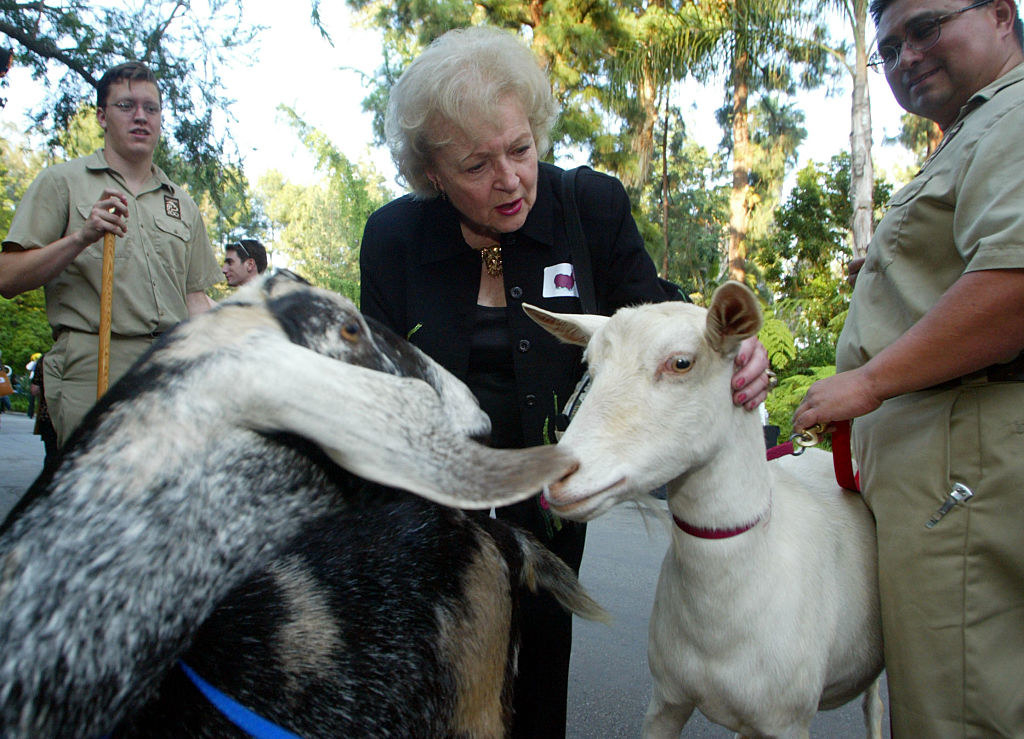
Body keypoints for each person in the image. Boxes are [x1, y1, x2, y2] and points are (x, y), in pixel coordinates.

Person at [359, 26, 772, 738]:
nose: (511, 178)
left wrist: (739, 346)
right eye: (476, 165)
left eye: (520, 149)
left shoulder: (590, 208)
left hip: (550, 503)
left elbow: (663, 316)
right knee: (433, 689)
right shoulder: (394, 239)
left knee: (539, 682)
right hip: (432, 513)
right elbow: (379, 382)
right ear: (431, 173)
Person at [793, 0, 1024, 734]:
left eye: (925, 29)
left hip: (963, 449)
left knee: (957, 707)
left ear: (998, 15)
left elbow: (1014, 285)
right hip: (943, 450)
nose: (905, 57)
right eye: (887, 48)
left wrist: (864, 382)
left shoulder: (1013, 118)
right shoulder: (976, 128)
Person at [0, 61, 222, 447]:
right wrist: (80, 238)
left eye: (150, 108)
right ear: (102, 116)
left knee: (162, 498)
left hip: (168, 368)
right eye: (126, 106)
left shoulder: (181, 202)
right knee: (93, 499)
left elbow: (195, 298)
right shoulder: (62, 182)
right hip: (94, 362)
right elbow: (7, 277)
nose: (140, 117)